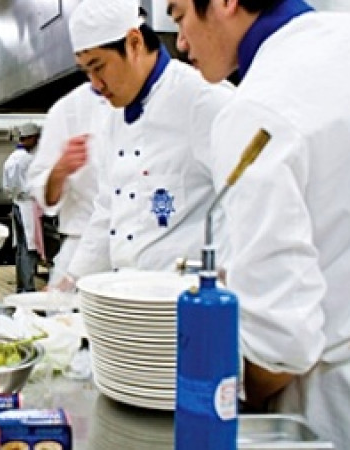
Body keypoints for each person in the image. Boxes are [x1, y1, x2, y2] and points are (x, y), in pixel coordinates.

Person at [166, 0, 350, 447]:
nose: (181, 42)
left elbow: (281, 347)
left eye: (179, 14)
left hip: (338, 407)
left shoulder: (254, 111)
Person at [58, 0, 233, 286]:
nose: (96, 85)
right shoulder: (114, 115)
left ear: (134, 43)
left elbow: (250, 209)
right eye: (86, 72)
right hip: (127, 304)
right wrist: (69, 283)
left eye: (98, 67)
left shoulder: (204, 102)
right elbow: (108, 209)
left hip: (186, 305)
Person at [26, 83, 110, 288]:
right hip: (80, 240)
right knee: (60, 313)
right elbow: (44, 195)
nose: (98, 81)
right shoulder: (68, 110)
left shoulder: (166, 99)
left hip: (145, 254)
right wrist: (60, 169)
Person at [2, 122, 43, 293]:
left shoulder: (13, 157)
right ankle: (27, 287)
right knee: (28, 249)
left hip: (18, 204)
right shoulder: (27, 159)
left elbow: (9, 187)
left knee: (20, 249)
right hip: (27, 207)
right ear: (32, 138)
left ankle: (22, 286)